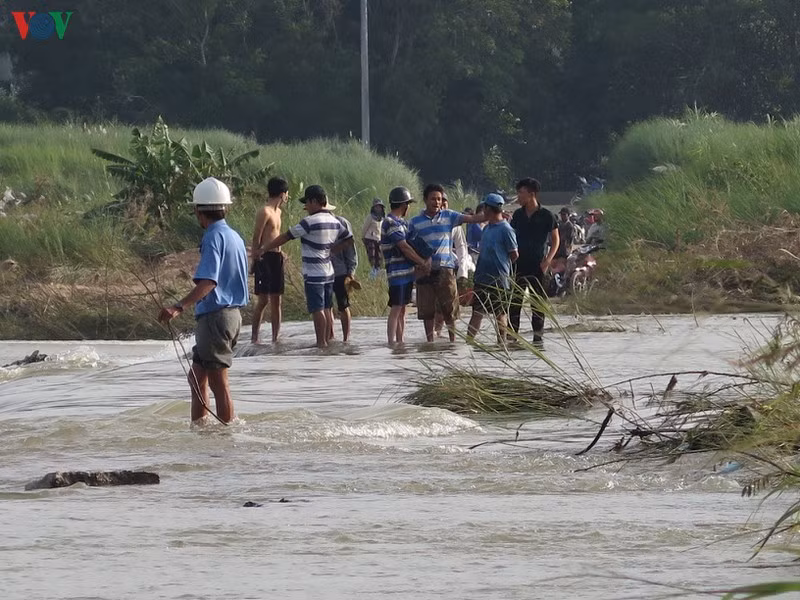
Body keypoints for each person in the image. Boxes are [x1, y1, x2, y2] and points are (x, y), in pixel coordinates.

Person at [158, 177, 248, 424]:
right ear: (225, 208)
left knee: (219, 383)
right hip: (232, 316)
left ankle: (226, 434)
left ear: (199, 211)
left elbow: (209, 282)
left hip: (216, 317)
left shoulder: (212, 237)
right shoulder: (235, 237)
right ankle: (200, 432)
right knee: (197, 378)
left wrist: (178, 307)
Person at [257, 185, 352, 348]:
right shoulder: (334, 221)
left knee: (317, 309)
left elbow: (286, 237)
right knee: (327, 307)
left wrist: (264, 248)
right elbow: (349, 239)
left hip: (314, 274)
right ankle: (328, 341)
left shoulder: (309, 222)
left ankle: (320, 343)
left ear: (314, 201)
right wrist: (332, 250)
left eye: (307, 203)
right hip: (329, 272)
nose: (306, 207)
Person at [408, 183, 487, 343]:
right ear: (425, 200)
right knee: (427, 311)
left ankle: (452, 343)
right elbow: (409, 246)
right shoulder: (414, 222)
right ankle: (430, 343)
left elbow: (472, 219)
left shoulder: (449, 216)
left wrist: (492, 213)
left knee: (450, 309)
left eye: (439, 199)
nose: (437, 202)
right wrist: (417, 265)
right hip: (425, 271)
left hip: (446, 269)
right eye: (433, 199)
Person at [509, 177, 559, 345]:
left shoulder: (546, 215)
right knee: (514, 303)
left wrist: (548, 261)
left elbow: (555, 240)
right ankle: (512, 338)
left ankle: (538, 340)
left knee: (537, 304)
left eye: (521, 193)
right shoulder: (518, 215)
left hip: (538, 266)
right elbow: (511, 236)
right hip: (519, 265)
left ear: (532, 194)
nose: (518, 196)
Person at [381, 186, 431, 345]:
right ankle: (391, 343)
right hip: (397, 275)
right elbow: (404, 247)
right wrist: (422, 262)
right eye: (408, 204)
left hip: (407, 273)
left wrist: (427, 257)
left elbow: (414, 243)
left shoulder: (402, 223)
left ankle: (400, 342)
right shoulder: (390, 223)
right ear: (404, 205)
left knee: (402, 310)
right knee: (396, 309)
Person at [467, 193, 518, 344]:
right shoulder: (487, 228)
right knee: (477, 312)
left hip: (499, 280)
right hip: (481, 278)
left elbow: (514, 254)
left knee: (500, 314)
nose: (483, 211)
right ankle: (468, 343)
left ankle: (502, 344)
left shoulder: (506, 229)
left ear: (489, 209)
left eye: (485, 208)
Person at [250, 177, 288, 344]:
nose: (287, 197)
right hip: (264, 257)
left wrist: (281, 252)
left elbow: (276, 236)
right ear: (282, 194)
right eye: (287, 194)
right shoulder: (264, 211)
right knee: (263, 300)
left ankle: (275, 338)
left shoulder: (279, 212)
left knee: (277, 300)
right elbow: (256, 237)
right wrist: (254, 259)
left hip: (276, 257)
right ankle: (254, 338)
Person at [434, 193, 474, 338]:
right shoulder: (432, 222)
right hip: (435, 269)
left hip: (451, 270)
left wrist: (463, 273)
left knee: (450, 307)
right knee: (437, 307)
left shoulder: (454, 224)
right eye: (441, 203)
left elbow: (462, 248)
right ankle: (436, 333)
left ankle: (452, 339)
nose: (442, 206)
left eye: (445, 203)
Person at [330, 214, 358, 342]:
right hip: (322, 272)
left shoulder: (341, 222)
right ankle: (330, 337)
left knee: (343, 305)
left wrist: (351, 272)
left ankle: (346, 339)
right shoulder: (313, 222)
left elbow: (350, 248)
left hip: (340, 272)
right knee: (326, 306)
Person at [361, 198, 385, 278]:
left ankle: (377, 273)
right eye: (376, 207)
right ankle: (373, 273)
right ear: (373, 208)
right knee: (372, 256)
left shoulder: (382, 218)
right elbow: (365, 228)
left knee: (379, 257)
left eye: (380, 207)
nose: (378, 208)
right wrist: (363, 237)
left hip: (379, 240)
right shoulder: (370, 217)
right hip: (370, 239)